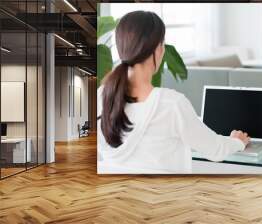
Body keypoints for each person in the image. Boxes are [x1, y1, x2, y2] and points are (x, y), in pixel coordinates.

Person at [97, 11, 250, 173]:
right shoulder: (171, 104)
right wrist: (237, 141)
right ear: (158, 49)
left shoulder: (101, 96)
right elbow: (215, 150)